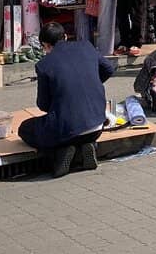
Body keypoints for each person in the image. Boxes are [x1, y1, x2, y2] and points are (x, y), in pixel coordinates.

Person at [17, 23, 116, 178]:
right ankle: (83, 147)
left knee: (25, 128)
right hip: (97, 125)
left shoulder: (44, 65)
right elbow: (109, 69)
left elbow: (43, 105)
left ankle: (61, 152)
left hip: (65, 130)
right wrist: (90, 82)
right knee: (71, 126)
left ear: (46, 46)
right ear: (65, 36)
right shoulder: (86, 46)